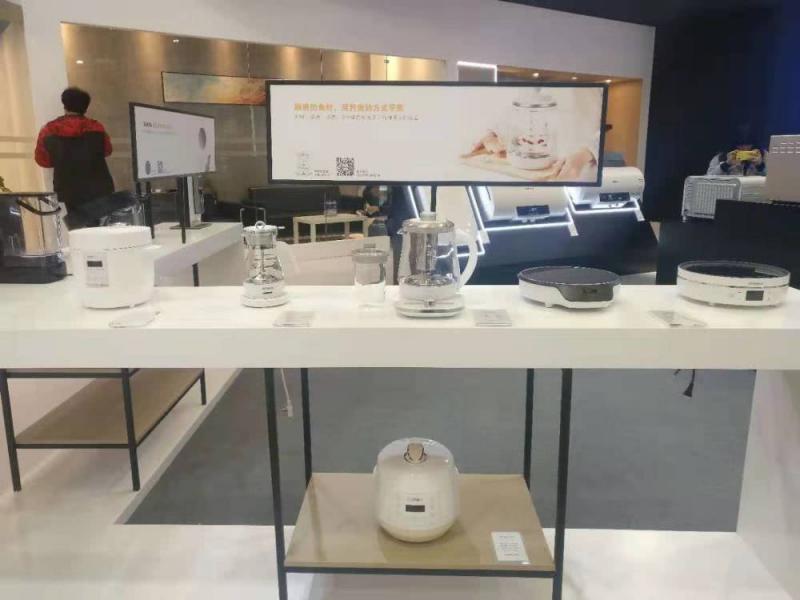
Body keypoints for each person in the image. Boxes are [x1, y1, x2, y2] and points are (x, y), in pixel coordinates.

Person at [34, 87, 114, 228]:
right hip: (98, 186)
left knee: (78, 230)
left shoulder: (49, 129)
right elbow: (107, 151)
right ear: (86, 107)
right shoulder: (96, 127)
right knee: (100, 230)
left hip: (69, 188)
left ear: (64, 104)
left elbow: (43, 160)